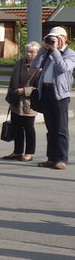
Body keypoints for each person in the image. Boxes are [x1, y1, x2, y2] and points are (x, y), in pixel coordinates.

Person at [31, 26, 75, 170]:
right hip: (46, 92)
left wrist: (55, 50)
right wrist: (44, 49)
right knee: (51, 129)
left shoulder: (70, 54)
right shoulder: (48, 53)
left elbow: (63, 68)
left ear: (64, 38)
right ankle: (51, 158)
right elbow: (35, 65)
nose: (53, 40)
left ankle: (61, 159)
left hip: (60, 95)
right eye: (51, 37)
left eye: (57, 37)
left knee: (61, 129)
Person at [4, 41, 40, 161]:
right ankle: (17, 151)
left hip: (30, 102)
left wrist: (25, 91)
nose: (28, 54)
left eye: (31, 52)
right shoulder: (19, 63)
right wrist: (10, 95)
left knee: (29, 127)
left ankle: (29, 153)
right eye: (27, 51)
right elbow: (12, 80)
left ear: (37, 53)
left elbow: (39, 87)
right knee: (16, 126)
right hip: (16, 100)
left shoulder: (40, 67)